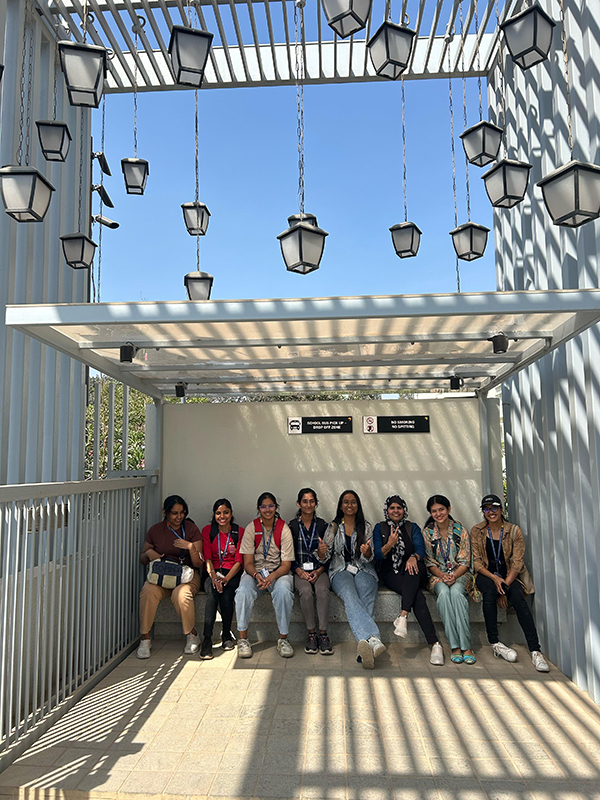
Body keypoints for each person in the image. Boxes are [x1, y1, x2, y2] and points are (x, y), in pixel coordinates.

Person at [471, 494, 549, 672]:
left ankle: (535, 650)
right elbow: (476, 562)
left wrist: (504, 586)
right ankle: (495, 643)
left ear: (501, 509)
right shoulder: (477, 530)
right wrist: (495, 580)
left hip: (509, 575)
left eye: (494, 508)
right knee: (490, 593)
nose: (491, 512)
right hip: (486, 575)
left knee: (518, 598)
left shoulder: (513, 531)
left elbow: (517, 562)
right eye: (486, 509)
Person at [373, 495, 444, 666]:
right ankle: (435, 643)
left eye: (399, 508)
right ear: (387, 510)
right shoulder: (380, 528)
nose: (396, 511)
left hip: (414, 570)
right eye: (392, 508)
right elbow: (377, 555)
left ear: (404, 510)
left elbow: (421, 549)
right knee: (417, 597)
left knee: (413, 568)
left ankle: (403, 615)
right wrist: (389, 544)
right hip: (392, 573)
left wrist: (414, 556)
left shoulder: (412, 527)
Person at [319, 489, 386, 669]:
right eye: (346, 502)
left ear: (358, 505)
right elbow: (324, 557)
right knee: (349, 595)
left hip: (364, 568)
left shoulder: (366, 526)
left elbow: (370, 557)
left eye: (353, 502)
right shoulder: (333, 527)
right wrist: (322, 552)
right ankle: (373, 639)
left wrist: (367, 552)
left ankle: (364, 654)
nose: (350, 505)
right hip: (340, 569)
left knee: (366, 598)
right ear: (341, 506)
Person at [137, 495, 204, 658]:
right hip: (162, 576)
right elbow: (142, 558)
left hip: (187, 575)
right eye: (174, 513)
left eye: (182, 512)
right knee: (148, 591)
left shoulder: (191, 529)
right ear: (165, 512)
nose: (179, 517)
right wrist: (149, 553)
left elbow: (198, 562)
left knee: (181, 594)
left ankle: (192, 634)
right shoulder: (155, 530)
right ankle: (145, 638)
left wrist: (190, 547)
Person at [235, 492, 295, 659]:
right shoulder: (252, 528)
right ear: (258, 509)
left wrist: (272, 576)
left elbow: (286, 565)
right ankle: (243, 639)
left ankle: (283, 639)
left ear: (276, 507)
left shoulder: (283, 528)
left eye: (271, 506)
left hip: (278, 572)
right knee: (243, 592)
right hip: (255, 573)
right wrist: (256, 575)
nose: (267, 510)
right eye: (263, 506)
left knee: (283, 592)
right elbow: (247, 563)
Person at [422, 495, 476, 665]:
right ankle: (455, 646)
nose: (438, 514)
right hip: (437, 575)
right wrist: (442, 575)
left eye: (441, 509)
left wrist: (454, 576)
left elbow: (465, 561)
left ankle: (466, 646)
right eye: (434, 511)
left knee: (457, 594)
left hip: (460, 574)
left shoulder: (460, 530)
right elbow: (429, 562)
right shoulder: (428, 533)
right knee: (444, 594)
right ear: (430, 513)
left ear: (449, 509)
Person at [289, 488, 333, 655]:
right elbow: (287, 554)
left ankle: (323, 635)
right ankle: (312, 634)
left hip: (319, 570)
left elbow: (328, 555)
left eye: (312, 501)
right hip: (299, 571)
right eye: (305, 501)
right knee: (306, 591)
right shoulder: (292, 526)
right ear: (298, 504)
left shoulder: (322, 525)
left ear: (316, 504)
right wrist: (298, 571)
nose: (308, 505)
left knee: (322, 590)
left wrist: (320, 570)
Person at [200, 498, 244, 659]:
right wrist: (214, 577)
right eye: (218, 513)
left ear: (231, 513)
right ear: (214, 515)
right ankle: (207, 639)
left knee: (227, 596)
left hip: (231, 572)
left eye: (226, 512)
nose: (222, 516)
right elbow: (207, 557)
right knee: (212, 595)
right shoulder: (208, 531)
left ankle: (226, 635)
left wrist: (225, 579)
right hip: (212, 571)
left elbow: (239, 561)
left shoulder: (239, 532)